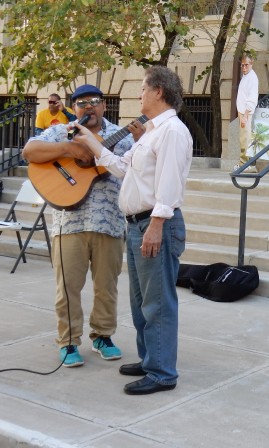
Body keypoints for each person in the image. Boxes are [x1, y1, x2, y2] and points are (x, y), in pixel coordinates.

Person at [76, 66, 193, 395]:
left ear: (158, 91)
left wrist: (156, 226)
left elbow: (169, 184)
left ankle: (162, 373)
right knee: (142, 301)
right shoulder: (152, 132)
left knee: (158, 303)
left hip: (156, 225)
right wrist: (90, 141)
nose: (139, 94)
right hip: (137, 224)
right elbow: (122, 167)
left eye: (143, 89)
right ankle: (149, 359)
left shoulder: (172, 131)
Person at [23, 84, 140, 368]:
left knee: (106, 286)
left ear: (104, 106)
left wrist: (143, 140)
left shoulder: (123, 137)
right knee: (67, 287)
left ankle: (102, 336)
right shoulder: (62, 130)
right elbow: (30, 151)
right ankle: (68, 341)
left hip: (110, 222)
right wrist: (68, 147)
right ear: (74, 108)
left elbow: (142, 168)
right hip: (68, 223)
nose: (89, 106)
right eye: (82, 102)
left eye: (95, 101)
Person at [235, 55, 259, 172]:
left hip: (246, 112)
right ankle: (246, 164)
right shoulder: (246, 76)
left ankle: (245, 164)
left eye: (246, 65)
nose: (244, 67)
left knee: (246, 138)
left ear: (251, 64)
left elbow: (252, 98)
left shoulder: (252, 77)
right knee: (244, 138)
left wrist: (245, 115)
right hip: (243, 111)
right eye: (242, 65)